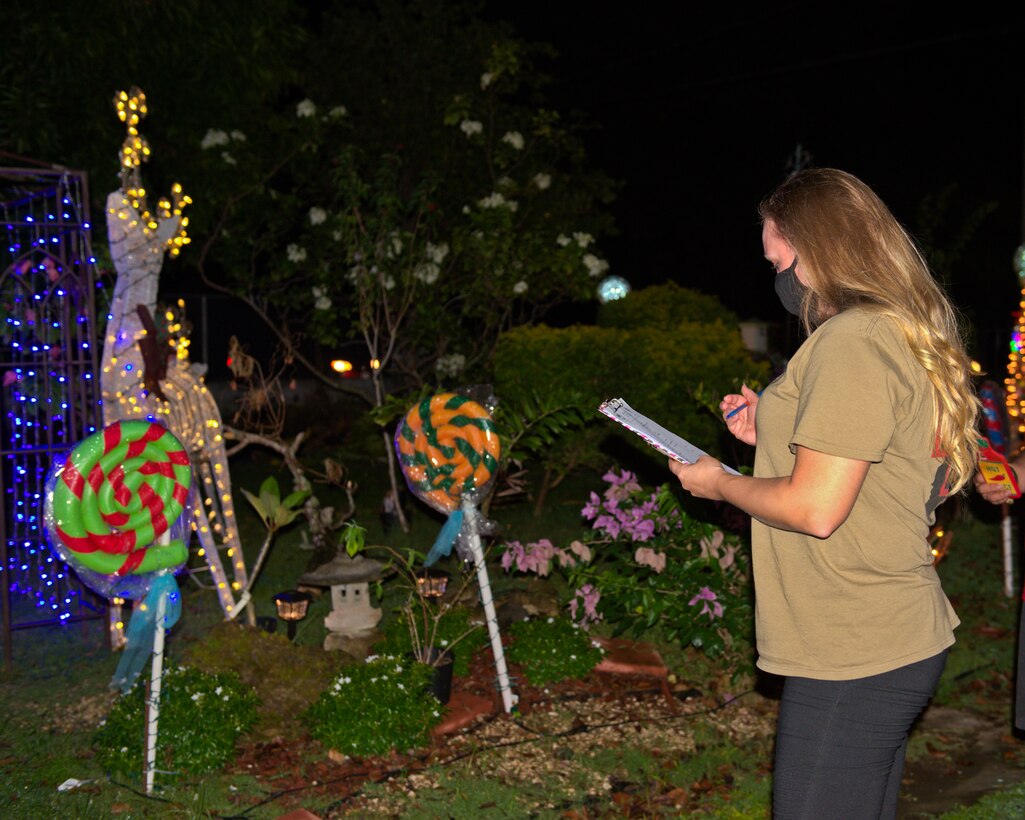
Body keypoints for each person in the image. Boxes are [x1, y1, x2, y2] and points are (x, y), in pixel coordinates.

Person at [670, 168, 980, 819]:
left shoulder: (850, 343)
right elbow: (881, 474)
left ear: (816, 250)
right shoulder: (893, 332)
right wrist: (771, 434)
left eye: (779, 259)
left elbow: (815, 509)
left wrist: (716, 480)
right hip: (883, 636)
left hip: (854, 647)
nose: (778, 277)